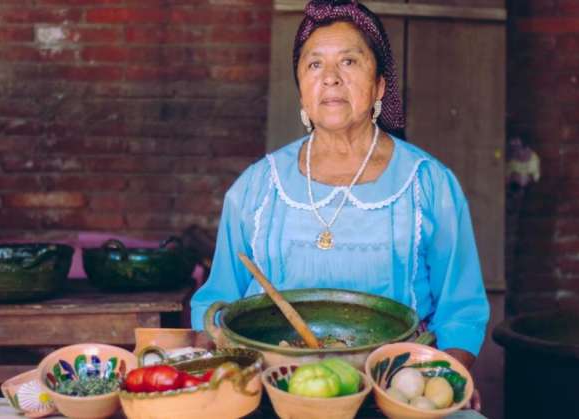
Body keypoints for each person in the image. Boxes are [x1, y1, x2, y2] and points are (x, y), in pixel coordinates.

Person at [191, 0, 488, 409]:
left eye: (349, 61)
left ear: (381, 85)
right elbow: (217, 299)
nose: (330, 78)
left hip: (393, 390)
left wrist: (442, 385)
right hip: (274, 395)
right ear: (300, 86)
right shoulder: (257, 188)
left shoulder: (429, 185)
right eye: (314, 65)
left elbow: (462, 310)